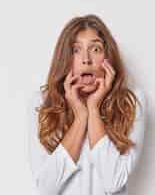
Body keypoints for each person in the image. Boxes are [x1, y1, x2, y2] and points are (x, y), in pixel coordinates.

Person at [28, 14, 147, 195]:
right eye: (76, 50)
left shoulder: (131, 102)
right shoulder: (43, 102)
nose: (86, 59)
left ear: (108, 58)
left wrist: (93, 109)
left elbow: (113, 181)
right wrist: (81, 117)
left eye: (96, 49)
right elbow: (45, 188)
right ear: (65, 59)